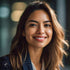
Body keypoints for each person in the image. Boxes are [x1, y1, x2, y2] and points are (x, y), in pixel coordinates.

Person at [0, 1, 69, 70]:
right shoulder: (6, 65)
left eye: (47, 25)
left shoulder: (54, 66)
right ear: (23, 30)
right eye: (33, 25)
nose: (41, 31)